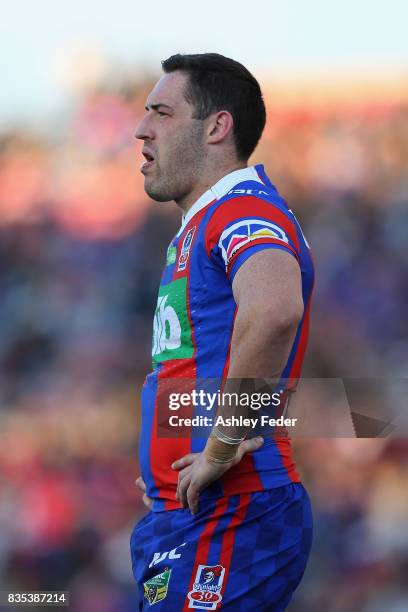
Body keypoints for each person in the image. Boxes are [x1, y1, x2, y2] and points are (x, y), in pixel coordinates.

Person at [131, 53, 314, 611]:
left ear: (216, 127)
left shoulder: (241, 209)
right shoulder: (201, 225)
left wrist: (222, 443)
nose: (141, 130)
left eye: (161, 112)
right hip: (187, 515)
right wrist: (164, 462)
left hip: (236, 507)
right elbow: (192, 365)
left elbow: (276, 309)